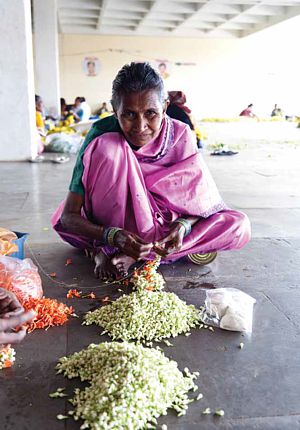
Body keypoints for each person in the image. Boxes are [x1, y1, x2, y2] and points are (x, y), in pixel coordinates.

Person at [52, 62, 250, 279]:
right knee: (110, 147)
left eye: (151, 113)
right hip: (115, 228)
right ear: (114, 109)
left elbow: (200, 204)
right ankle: (121, 249)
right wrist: (111, 235)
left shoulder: (181, 135)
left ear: (165, 107)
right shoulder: (100, 134)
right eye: (128, 114)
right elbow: (68, 218)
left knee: (238, 225)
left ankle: (135, 254)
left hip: (164, 228)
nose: (140, 126)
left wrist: (183, 226)